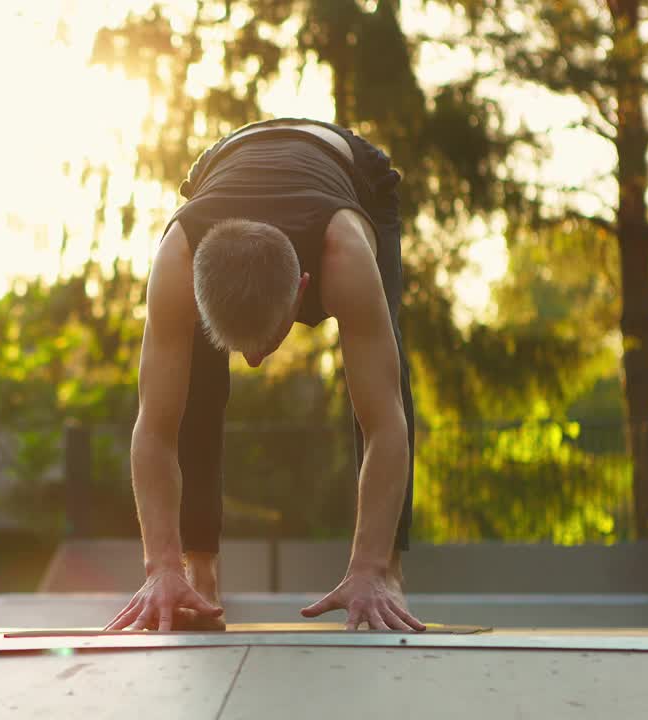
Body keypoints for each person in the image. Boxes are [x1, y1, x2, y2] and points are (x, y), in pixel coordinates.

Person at [103, 118, 426, 633]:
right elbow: (156, 427)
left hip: (349, 168)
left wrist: (365, 567)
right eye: (240, 349)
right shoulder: (178, 259)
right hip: (220, 163)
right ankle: (197, 576)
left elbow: (386, 426)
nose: (254, 363)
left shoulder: (344, 254)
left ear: (303, 292)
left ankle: (383, 572)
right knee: (193, 395)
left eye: (265, 346)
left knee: (384, 377)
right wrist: (159, 566)